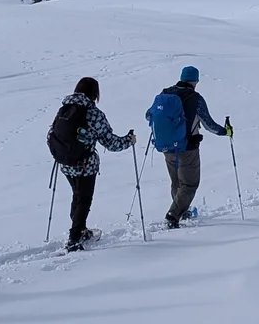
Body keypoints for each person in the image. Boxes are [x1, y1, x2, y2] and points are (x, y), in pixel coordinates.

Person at [49, 76, 135, 251]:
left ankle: (79, 229)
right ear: (95, 93)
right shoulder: (93, 113)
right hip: (85, 164)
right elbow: (110, 143)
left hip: (65, 163)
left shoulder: (64, 109)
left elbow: (52, 133)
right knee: (84, 199)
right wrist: (129, 140)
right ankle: (75, 238)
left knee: (77, 196)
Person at [149, 66, 230, 229]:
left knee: (177, 182)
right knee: (189, 184)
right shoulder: (195, 98)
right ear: (195, 80)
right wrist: (225, 131)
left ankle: (182, 211)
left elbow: (149, 114)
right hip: (188, 148)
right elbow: (209, 124)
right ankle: (173, 215)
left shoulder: (165, 94)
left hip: (167, 147)